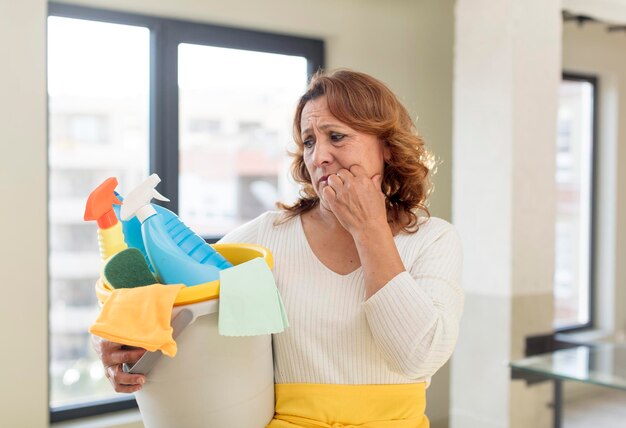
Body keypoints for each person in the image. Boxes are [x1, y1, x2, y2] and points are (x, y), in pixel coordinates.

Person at [95, 69, 463, 428]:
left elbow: (417, 357)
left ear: (387, 148)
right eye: (308, 141)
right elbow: (167, 293)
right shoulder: (266, 239)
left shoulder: (433, 240)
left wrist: (369, 228)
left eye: (336, 136)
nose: (318, 156)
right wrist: (112, 345)